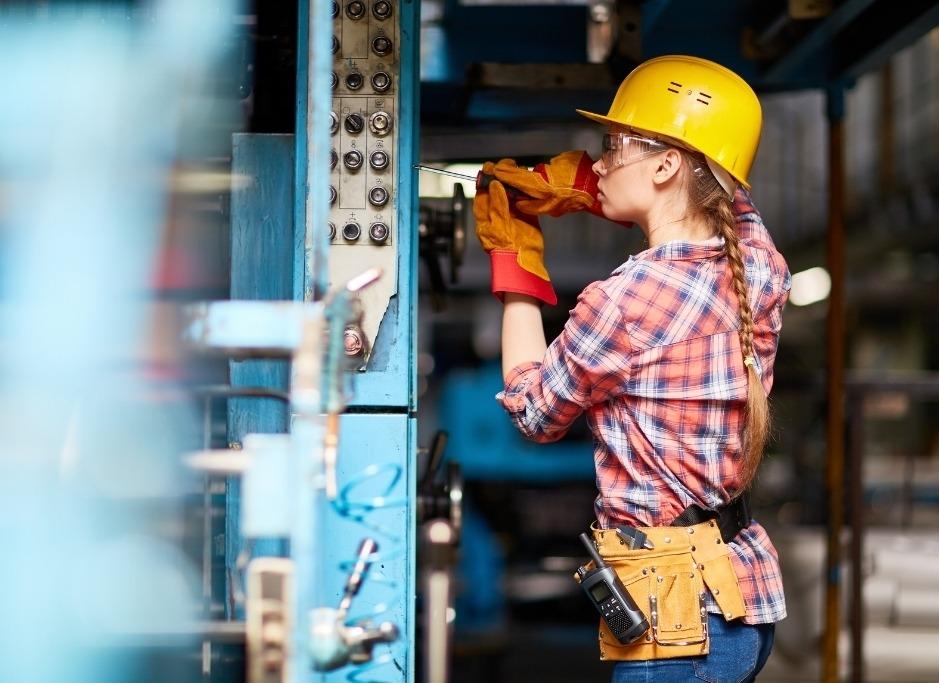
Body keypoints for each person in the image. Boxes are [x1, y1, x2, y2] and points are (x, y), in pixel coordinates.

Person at [472, 55, 790, 682]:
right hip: (740, 596)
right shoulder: (755, 263)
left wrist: (515, 259)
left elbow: (535, 414)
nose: (600, 162)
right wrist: (602, 188)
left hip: (675, 618)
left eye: (613, 146)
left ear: (668, 165)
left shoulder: (627, 299)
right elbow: (726, 201)